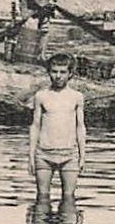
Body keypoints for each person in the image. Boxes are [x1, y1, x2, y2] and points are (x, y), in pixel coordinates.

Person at [29, 53, 86, 208]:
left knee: (68, 199)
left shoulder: (77, 97)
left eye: (62, 72)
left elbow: (80, 126)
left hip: (69, 154)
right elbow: (35, 125)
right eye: (54, 71)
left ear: (70, 74)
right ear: (49, 72)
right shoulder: (41, 96)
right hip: (44, 154)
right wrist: (31, 155)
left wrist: (82, 155)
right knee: (42, 198)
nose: (58, 76)